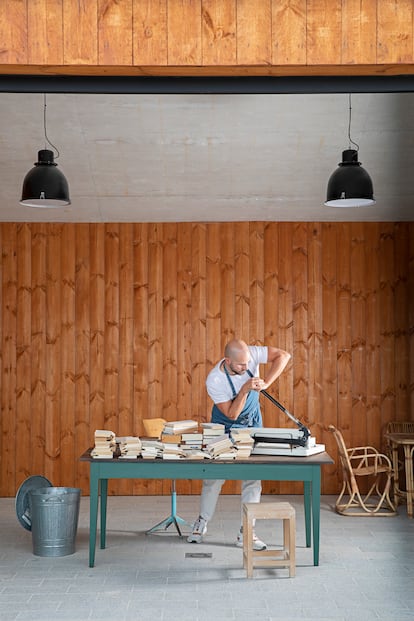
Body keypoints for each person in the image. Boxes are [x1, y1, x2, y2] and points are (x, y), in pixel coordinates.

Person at [187, 339, 291, 550]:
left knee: (252, 479)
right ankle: (202, 522)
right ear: (227, 361)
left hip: (252, 423)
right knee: (213, 478)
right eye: (241, 365)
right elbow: (232, 414)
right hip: (224, 424)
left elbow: (284, 355)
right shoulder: (215, 380)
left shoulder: (250, 354)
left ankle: (247, 531)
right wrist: (245, 389)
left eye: (248, 364)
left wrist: (267, 383)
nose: (246, 368)